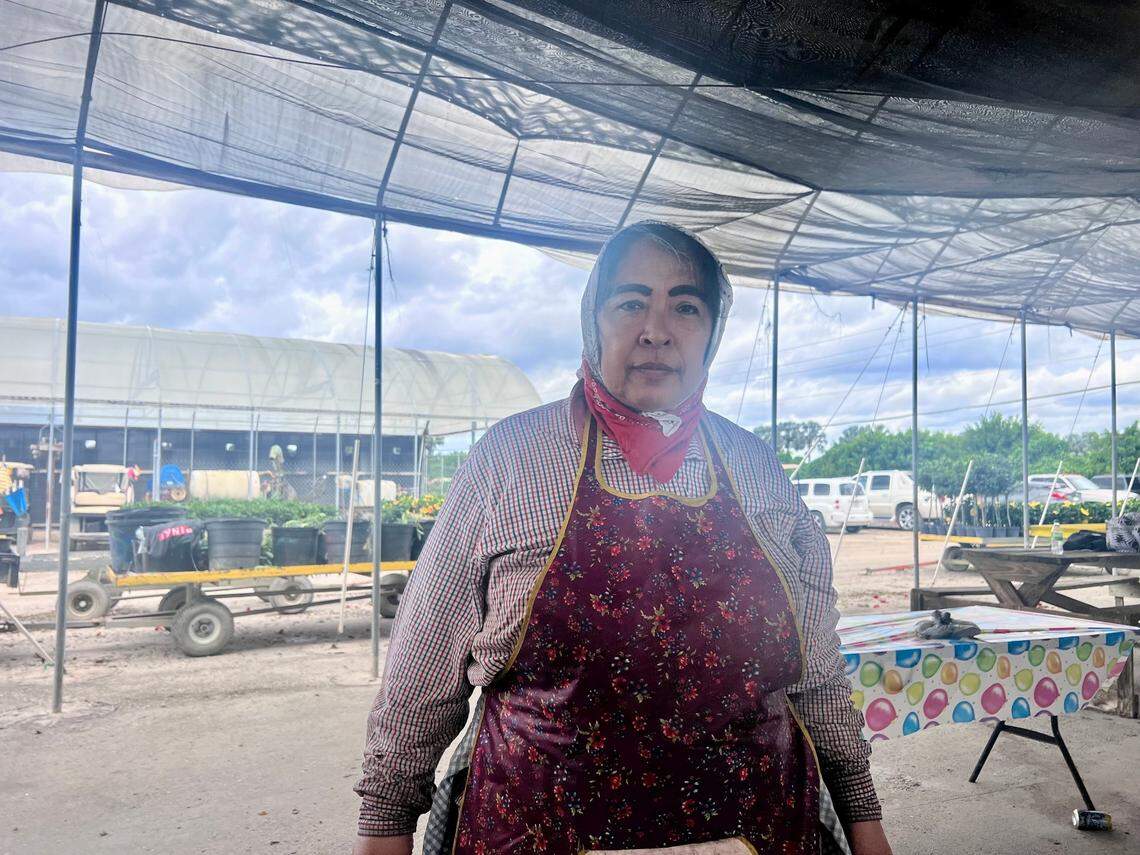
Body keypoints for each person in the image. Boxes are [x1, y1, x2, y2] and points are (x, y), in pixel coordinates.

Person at [354, 222, 892, 855]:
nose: (656, 330)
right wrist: (385, 823)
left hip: (756, 827)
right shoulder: (511, 460)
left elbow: (817, 673)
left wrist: (863, 817)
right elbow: (420, 677)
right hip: (536, 827)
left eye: (685, 307)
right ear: (593, 321)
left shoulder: (759, 471)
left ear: (711, 335)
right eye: (630, 301)